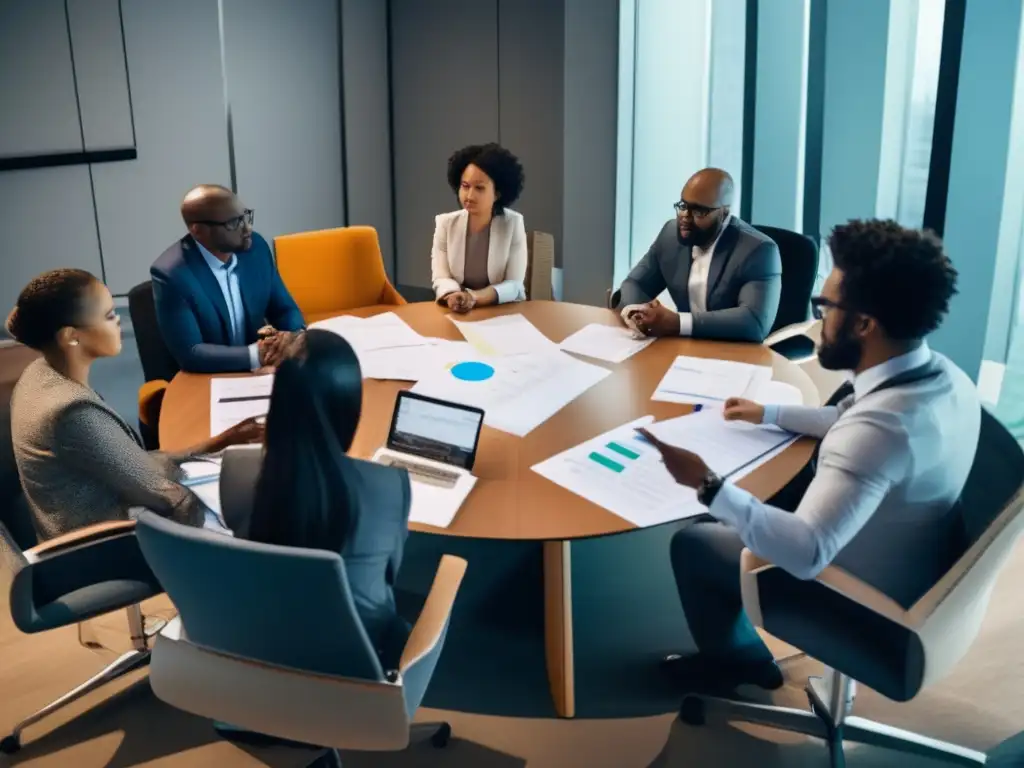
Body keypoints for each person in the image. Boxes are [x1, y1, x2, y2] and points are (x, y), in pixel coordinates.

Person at [640, 219, 977, 694]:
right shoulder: (940, 376)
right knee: (748, 504)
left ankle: (738, 662)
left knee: (693, 542)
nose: (818, 320)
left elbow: (805, 553)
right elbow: (846, 416)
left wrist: (709, 485)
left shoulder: (877, 433)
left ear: (864, 323)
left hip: (864, 595)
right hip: (917, 552)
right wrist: (769, 412)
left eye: (825, 306)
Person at [7, 269, 263, 541]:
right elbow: (170, 499)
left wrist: (220, 441)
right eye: (108, 316)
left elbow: (131, 464)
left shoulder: (37, 373)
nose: (119, 321)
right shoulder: (73, 412)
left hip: (86, 518)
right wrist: (236, 532)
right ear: (72, 336)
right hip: (104, 550)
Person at [223, 329, 412, 668]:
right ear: (351, 408)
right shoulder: (390, 486)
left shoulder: (236, 472)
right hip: (358, 672)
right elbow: (389, 576)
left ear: (278, 403)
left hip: (260, 666)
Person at [613, 168, 782, 343]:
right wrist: (636, 312)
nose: (685, 217)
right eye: (683, 206)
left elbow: (753, 322)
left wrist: (677, 323)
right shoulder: (670, 235)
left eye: (699, 211)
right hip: (684, 348)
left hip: (735, 352)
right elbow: (636, 283)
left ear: (724, 213)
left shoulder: (759, 250)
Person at [152, 184, 305, 374]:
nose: (247, 228)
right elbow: (191, 352)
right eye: (234, 223)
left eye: (246, 216)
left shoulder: (255, 248)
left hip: (263, 373)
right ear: (198, 230)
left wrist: (293, 339)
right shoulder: (171, 274)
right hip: (208, 377)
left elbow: (284, 309)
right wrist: (257, 355)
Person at [431, 143, 527, 313]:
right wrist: (454, 295)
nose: (469, 196)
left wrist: (474, 297)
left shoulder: (513, 223)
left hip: (501, 311)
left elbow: (515, 285)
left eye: (479, 188)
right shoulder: (445, 223)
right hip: (458, 310)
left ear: (497, 193)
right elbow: (441, 276)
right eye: (465, 186)